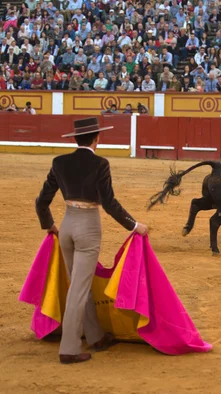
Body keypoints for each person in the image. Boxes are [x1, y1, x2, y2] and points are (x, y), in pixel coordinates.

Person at [35, 118, 148, 364]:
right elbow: (109, 204)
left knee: (79, 282)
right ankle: (70, 348)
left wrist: (49, 225)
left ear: (75, 139)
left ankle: (96, 336)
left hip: (66, 226)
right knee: (79, 288)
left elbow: (41, 201)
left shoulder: (59, 162)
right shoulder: (100, 164)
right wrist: (134, 225)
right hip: (88, 227)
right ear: (97, 139)